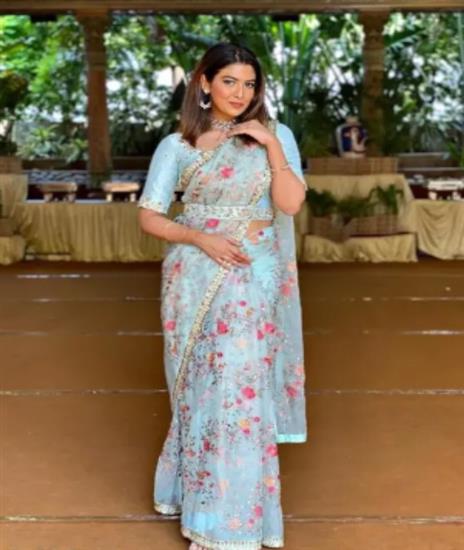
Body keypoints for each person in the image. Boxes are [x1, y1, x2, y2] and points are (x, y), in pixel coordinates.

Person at [138, 42, 307, 550]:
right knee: (202, 390)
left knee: (241, 393)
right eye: (229, 81)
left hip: (253, 276)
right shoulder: (178, 145)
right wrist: (200, 238)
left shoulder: (276, 135)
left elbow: (290, 204)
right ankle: (200, 506)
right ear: (204, 83)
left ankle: (233, 523)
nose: (240, 93)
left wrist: (269, 144)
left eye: (249, 84)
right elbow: (149, 216)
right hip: (194, 275)